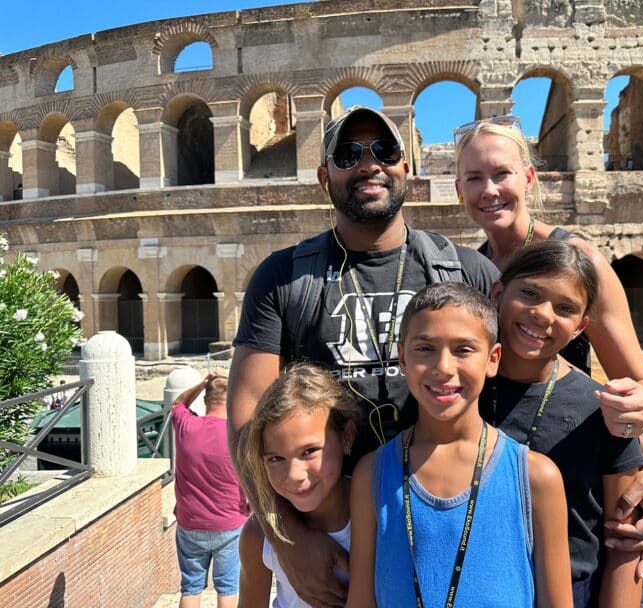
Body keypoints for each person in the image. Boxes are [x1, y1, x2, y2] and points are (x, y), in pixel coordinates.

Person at [228, 106, 498, 607]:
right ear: (322, 175)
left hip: (442, 518)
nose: (369, 164)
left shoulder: (466, 271)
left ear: (407, 168)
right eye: (349, 154)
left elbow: (530, 377)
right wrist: (287, 537)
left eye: (385, 151)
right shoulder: (283, 278)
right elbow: (247, 423)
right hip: (331, 535)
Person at [453, 115, 643, 577]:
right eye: (474, 178)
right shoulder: (473, 271)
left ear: (528, 178)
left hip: (571, 476)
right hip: (496, 474)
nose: (489, 190)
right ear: (459, 189)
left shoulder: (583, 261)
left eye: (501, 174)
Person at [347, 282, 573, 607]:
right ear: (403, 358)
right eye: (425, 348)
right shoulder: (372, 474)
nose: (443, 367)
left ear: (493, 359)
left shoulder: (537, 478)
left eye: (463, 350)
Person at [483, 240, 643, 607]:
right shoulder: (461, 391)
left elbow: (624, 542)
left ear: (580, 327)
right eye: (529, 293)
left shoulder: (603, 409)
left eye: (565, 308)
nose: (543, 313)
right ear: (498, 294)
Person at [236, 362, 361, 608]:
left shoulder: (380, 515)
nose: (293, 475)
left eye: (309, 451)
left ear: (346, 436)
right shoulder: (257, 534)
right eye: (276, 458)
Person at [172, 371, 249, 608]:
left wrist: (202, 383)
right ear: (232, 400)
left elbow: (178, 403)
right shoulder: (239, 436)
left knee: (191, 588)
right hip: (229, 524)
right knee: (227, 588)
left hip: (190, 523)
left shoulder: (186, 426)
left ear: (205, 400)